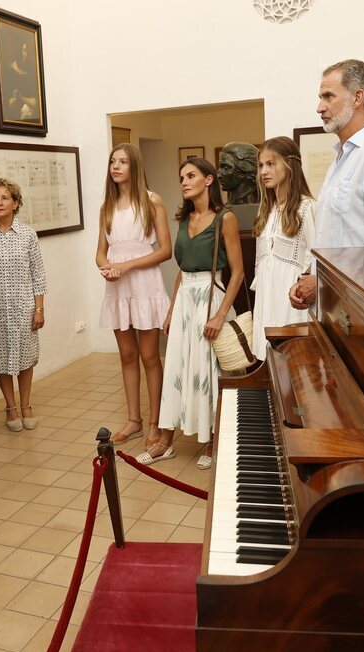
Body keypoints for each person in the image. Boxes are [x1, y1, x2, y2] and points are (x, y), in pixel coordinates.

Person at [139, 157, 244, 470]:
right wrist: (171, 310)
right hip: (185, 300)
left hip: (212, 299)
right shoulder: (183, 219)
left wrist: (219, 315)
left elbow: (237, 274)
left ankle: (212, 439)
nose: (184, 181)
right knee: (175, 368)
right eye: (181, 176)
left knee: (210, 373)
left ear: (209, 180)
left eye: (191, 175)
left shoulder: (225, 218)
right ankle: (165, 442)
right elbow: (182, 271)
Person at [290, 59, 364, 311]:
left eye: (328, 97)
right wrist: (306, 278)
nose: (320, 108)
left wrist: (320, 283)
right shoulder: (341, 160)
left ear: (357, 98)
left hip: (359, 309)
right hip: (334, 305)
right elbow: (332, 239)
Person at [95, 143, 171, 445]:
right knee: (127, 355)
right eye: (113, 161)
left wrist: (126, 266)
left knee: (150, 355)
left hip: (144, 284)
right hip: (118, 286)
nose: (116, 166)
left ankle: (155, 422)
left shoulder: (152, 201)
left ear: (134, 166)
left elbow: (164, 250)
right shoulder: (106, 207)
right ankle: (133, 421)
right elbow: (100, 252)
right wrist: (108, 268)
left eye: (122, 162)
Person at [0, 179, 47, 431]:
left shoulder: (28, 234)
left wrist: (39, 309)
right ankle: (10, 407)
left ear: (15, 203)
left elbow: (38, 274)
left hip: (24, 308)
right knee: (2, 358)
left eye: (4, 198)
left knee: (26, 359)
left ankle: (26, 404)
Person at [251, 137, 315, 361]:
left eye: (271, 164)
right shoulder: (267, 212)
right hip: (267, 300)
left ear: (289, 165)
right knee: (268, 365)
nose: (264, 171)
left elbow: (316, 260)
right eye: (261, 165)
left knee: (290, 362)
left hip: (290, 303)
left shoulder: (306, 208)